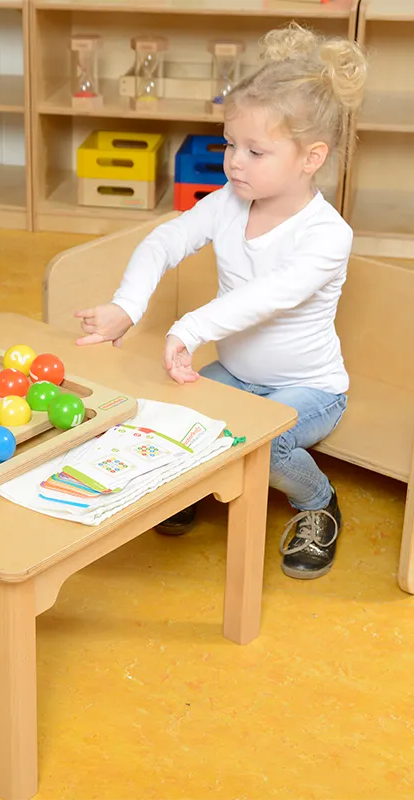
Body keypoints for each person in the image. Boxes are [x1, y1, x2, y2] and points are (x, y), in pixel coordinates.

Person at [73, 23, 368, 580]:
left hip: (310, 389)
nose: (235, 161)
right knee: (168, 417)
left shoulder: (327, 235)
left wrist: (188, 327)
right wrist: (127, 308)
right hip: (234, 371)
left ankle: (318, 504)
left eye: (256, 151)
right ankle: (190, 482)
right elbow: (166, 239)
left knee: (268, 445)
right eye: (230, 143)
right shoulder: (231, 200)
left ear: (311, 158)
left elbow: (267, 297)